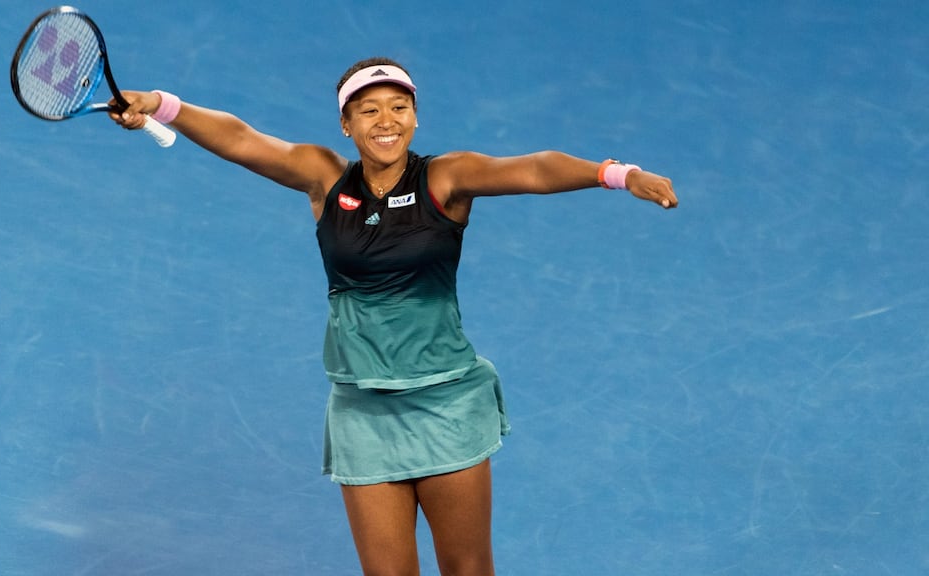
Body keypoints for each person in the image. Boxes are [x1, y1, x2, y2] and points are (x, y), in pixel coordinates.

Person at [110, 56, 677, 576]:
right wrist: (162, 104)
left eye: (400, 107)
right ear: (347, 126)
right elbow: (240, 138)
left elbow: (532, 169)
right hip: (364, 413)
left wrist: (618, 174)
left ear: (415, 117)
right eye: (369, 110)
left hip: (446, 404)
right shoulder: (325, 177)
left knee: (468, 569)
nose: (387, 121)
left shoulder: (445, 179)